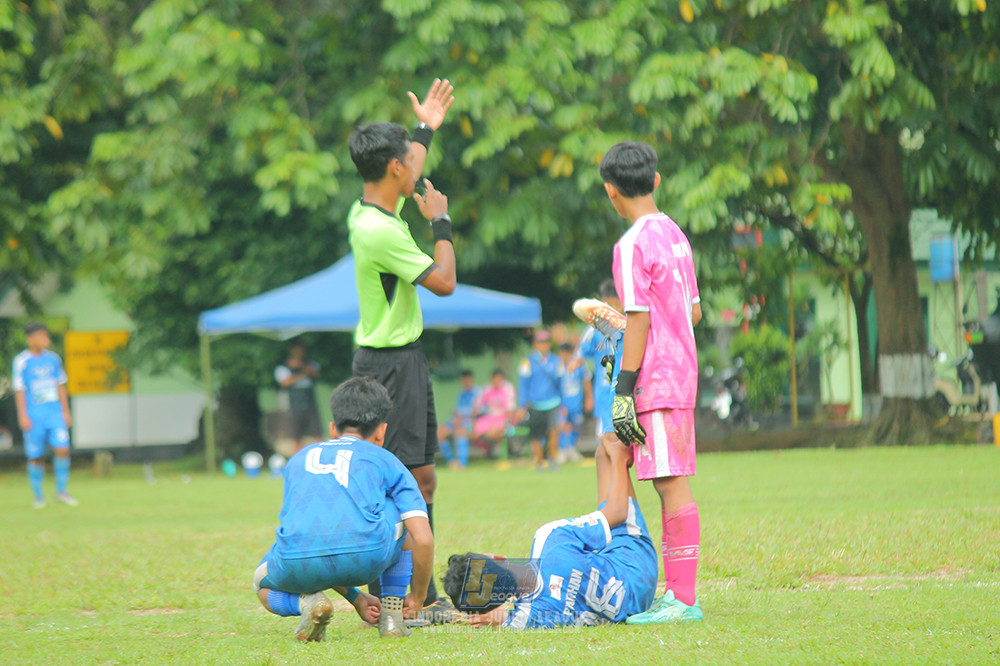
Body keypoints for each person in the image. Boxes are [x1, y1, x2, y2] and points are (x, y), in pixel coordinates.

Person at [347, 77, 456, 618]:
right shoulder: (382, 232)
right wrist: (440, 219)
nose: (413, 165)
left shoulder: (371, 207)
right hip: (390, 366)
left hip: (403, 358)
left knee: (423, 474)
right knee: (398, 479)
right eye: (406, 160)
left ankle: (420, 592)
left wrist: (424, 128)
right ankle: (407, 597)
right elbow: (443, 282)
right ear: (394, 171)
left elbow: (408, 161)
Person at [602, 141, 704, 624]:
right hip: (683, 372)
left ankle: (682, 599)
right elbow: (694, 311)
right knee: (670, 482)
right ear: (656, 181)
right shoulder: (676, 235)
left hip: (655, 380)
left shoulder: (630, 244)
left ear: (610, 192)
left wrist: (624, 389)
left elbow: (639, 320)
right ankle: (677, 594)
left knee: (670, 486)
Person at [252, 376, 434, 641]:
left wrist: (355, 596)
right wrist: (417, 598)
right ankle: (393, 616)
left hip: (296, 559)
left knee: (261, 585)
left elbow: (321, 537)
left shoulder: (297, 459)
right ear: (382, 431)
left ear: (332, 428)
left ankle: (306, 603)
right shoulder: (387, 459)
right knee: (403, 510)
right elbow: (424, 539)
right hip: (369, 558)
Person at [442, 436, 657, 628]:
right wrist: (619, 458)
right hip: (637, 566)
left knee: (603, 456)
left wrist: (499, 617)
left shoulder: (526, 618)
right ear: (497, 557)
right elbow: (618, 512)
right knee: (605, 452)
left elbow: (508, 619)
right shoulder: (550, 538)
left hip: (634, 602)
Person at [12, 322, 77, 509]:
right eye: (41, 336)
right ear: (30, 339)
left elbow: (60, 385)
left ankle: (61, 491)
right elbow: (19, 390)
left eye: (46, 336)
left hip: (54, 414)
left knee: (62, 448)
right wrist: (23, 415)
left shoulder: (53, 359)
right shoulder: (22, 361)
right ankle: (38, 495)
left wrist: (66, 411)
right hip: (34, 416)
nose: (45, 340)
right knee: (35, 455)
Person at [576, 279, 624, 440]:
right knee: (607, 437)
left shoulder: (631, 324)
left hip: (627, 386)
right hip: (604, 390)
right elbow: (579, 359)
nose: (614, 310)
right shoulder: (594, 329)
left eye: (617, 305)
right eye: (609, 306)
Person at [515, 330, 563, 472]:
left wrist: (563, 404)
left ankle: (552, 459)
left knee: (554, 431)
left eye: (546, 342)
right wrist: (522, 405)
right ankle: (540, 461)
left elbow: (561, 384)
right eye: (540, 342)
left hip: (553, 402)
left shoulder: (557, 361)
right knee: (536, 434)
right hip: (535, 403)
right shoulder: (527, 362)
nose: (543, 345)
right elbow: (523, 385)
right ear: (535, 344)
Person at [274, 341, 323, 452]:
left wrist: (305, 368)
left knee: (316, 429)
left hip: (309, 399)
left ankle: (320, 453)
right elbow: (285, 382)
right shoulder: (283, 366)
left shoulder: (309, 363)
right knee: (297, 431)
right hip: (295, 400)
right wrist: (302, 373)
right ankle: (298, 453)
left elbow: (316, 373)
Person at [556, 341, 593, 463]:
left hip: (576, 402)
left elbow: (586, 382)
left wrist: (589, 398)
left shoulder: (579, 365)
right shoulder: (559, 367)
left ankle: (572, 449)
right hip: (563, 402)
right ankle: (562, 450)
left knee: (575, 425)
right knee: (563, 425)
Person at [437, 369, 481, 469]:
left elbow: (478, 412)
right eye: (463, 380)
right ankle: (451, 461)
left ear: (471, 379)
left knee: (460, 432)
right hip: (457, 421)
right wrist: (456, 418)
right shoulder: (462, 393)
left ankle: (462, 464)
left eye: (467, 379)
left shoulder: (478, 392)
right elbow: (457, 411)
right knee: (439, 433)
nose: (465, 382)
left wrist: (462, 418)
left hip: (471, 424)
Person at [472, 369, 517, 458]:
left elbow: (510, 410)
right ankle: (488, 448)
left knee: (493, 432)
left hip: (504, 417)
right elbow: (478, 404)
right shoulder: (487, 388)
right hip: (490, 418)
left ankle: (506, 450)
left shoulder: (508, 388)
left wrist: (507, 422)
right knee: (473, 434)